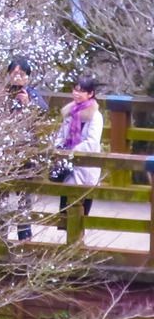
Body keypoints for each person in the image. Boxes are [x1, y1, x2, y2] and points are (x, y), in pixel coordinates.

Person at [5, 56, 49, 241]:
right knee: (0, 196)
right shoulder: (0, 94)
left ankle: (24, 237)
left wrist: (27, 104)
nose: (17, 77)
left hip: (26, 155)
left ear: (27, 77)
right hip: (3, 154)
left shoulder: (32, 94)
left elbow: (43, 112)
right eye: (13, 73)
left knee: (25, 198)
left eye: (21, 74)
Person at [54, 75, 104, 221]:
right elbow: (61, 135)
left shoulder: (96, 116)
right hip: (68, 168)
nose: (76, 93)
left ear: (90, 94)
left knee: (80, 217)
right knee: (65, 216)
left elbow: (92, 142)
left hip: (86, 167)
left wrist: (72, 151)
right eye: (75, 90)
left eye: (81, 91)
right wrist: (59, 147)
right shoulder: (70, 112)